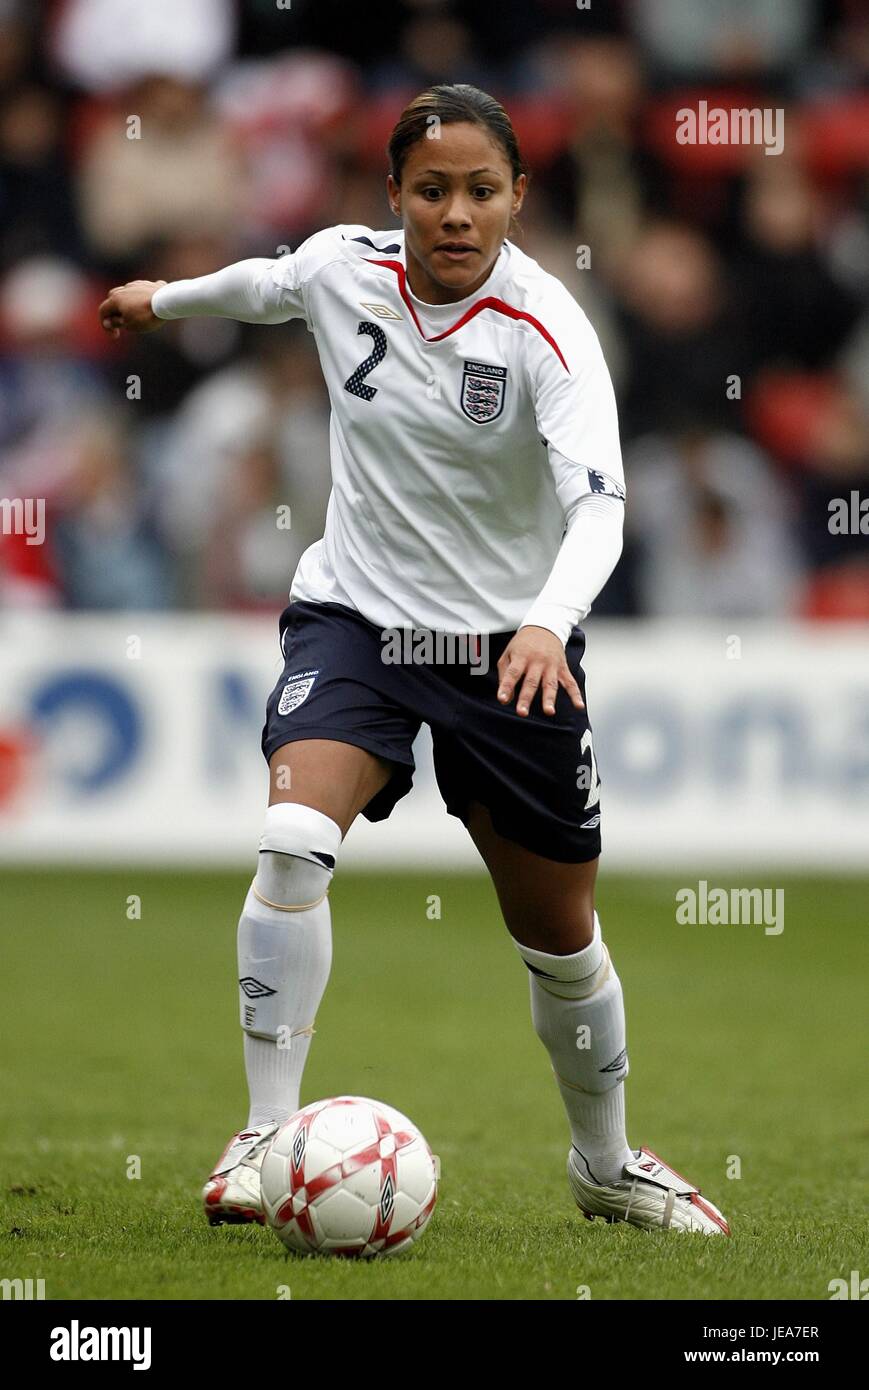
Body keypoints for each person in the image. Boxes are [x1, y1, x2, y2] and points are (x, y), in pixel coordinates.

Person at [99, 84, 730, 1236]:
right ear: (393, 195)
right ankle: (263, 1134)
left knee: (560, 940)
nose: (455, 213)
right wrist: (162, 299)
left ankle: (602, 1163)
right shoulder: (346, 267)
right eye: (431, 190)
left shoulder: (549, 330)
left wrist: (546, 620)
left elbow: (600, 506)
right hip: (359, 621)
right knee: (292, 840)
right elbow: (265, 285)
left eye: (479, 191)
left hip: (506, 651)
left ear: (515, 200)